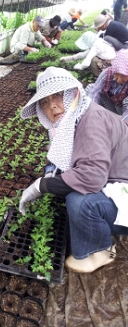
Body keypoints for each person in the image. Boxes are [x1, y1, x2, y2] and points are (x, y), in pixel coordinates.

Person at [18, 66, 128, 273]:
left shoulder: (91, 120)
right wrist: (52, 177)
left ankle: (99, 252)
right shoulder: (78, 117)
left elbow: (91, 177)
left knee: (80, 202)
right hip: (115, 182)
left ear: (74, 93)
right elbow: (70, 161)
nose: (53, 106)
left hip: (123, 193)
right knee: (67, 186)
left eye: (58, 95)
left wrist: (41, 185)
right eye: (45, 102)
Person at [87, 49, 128, 124]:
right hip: (111, 106)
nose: (118, 79)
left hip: (123, 111)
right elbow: (95, 92)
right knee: (90, 88)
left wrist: (122, 124)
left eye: (123, 76)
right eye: (116, 74)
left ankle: (120, 123)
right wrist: (91, 112)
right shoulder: (107, 73)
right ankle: (101, 115)